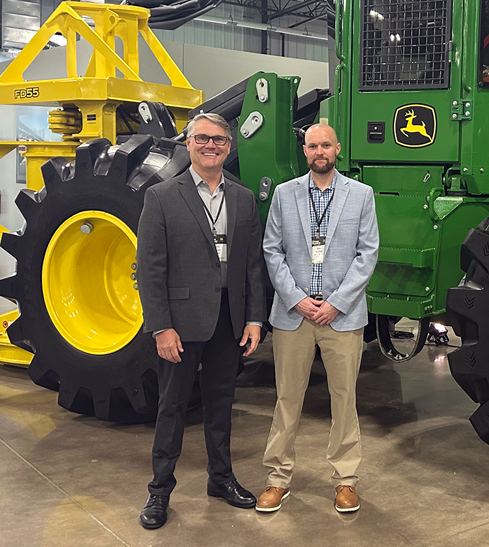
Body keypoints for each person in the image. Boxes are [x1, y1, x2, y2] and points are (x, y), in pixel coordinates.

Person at [135, 112, 267, 529]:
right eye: (203, 139)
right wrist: (161, 326)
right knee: (171, 408)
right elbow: (150, 268)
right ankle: (159, 491)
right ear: (188, 143)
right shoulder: (161, 197)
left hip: (229, 321)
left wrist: (253, 319)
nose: (211, 146)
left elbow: (253, 267)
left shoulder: (243, 198)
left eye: (220, 140)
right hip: (180, 323)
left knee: (221, 406)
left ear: (229, 147)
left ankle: (221, 479)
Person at [256, 124, 379, 513]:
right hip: (294, 316)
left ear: (337, 149)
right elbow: (272, 251)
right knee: (287, 399)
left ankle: (345, 481)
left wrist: (336, 303)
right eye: (312, 145)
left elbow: (367, 253)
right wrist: (296, 299)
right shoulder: (284, 193)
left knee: (345, 400)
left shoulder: (360, 195)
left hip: (341, 317)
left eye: (326, 144)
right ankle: (278, 480)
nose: (319, 151)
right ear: (304, 151)